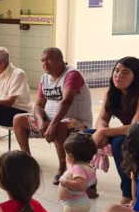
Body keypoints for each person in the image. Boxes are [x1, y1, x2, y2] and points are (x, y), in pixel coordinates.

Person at [91, 57, 139, 205]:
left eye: (125, 73)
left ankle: (128, 194)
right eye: (116, 70)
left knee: (121, 143)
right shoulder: (112, 92)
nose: (118, 75)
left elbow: (137, 127)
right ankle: (86, 183)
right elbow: (102, 119)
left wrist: (104, 133)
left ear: (136, 77)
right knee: (86, 136)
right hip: (132, 134)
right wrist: (101, 131)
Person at [12, 48, 93, 187]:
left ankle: (62, 167)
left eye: (48, 59)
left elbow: (66, 101)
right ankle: (29, 163)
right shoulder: (44, 79)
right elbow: (38, 106)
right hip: (50, 123)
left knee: (59, 127)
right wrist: (41, 121)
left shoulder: (72, 75)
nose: (45, 63)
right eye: (42, 60)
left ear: (60, 60)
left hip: (77, 123)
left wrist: (52, 124)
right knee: (18, 119)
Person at [58, 133, 97, 212]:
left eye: (66, 154)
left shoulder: (78, 168)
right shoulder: (88, 167)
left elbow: (81, 185)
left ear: (71, 156)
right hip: (82, 202)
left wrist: (65, 182)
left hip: (74, 205)